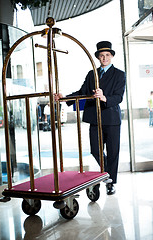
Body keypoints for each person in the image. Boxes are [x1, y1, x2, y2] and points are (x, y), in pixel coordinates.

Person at [54, 41, 126, 195]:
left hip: (112, 118)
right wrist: (65, 98)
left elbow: (119, 96)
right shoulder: (91, 74)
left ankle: (111, 182)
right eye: (101, 55)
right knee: (95, 150)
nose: (104, 58)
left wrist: (104, 97)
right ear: (98, 58)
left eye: (107, 55)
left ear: (111, 56)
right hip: (95, 118)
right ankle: (107, 174)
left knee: (113, 152)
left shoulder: (119, 74)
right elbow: (82, 92)